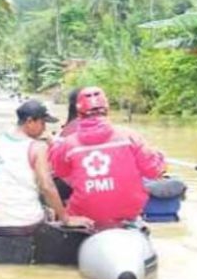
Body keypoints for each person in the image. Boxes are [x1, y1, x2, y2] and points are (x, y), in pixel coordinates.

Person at [0, 100, 93, 265]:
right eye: (43, 122)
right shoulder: (37, 148)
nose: (45, 128)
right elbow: (47, 186)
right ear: (29, 121)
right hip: (27, 224)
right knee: (51, 212)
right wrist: (66, 218)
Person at [49, 87, 166, 229]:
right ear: (107, 109)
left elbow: (61, 171)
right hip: (127, 216)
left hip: (84, 216)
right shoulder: (130, 136)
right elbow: (153, 170)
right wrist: (160, 157)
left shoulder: (68, 144)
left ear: (79, 113)